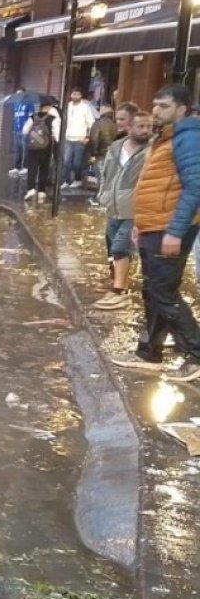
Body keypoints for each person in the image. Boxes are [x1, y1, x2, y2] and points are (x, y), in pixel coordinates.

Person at [112, 85, 200, 381]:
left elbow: (195, 187)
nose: (157, 111)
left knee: (163, 291)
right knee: (152, 291)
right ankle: (149, 352)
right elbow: (155, 185)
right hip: (153, 226)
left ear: (182, 109)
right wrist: (140, 223)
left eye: (164, 106)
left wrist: (174, 232)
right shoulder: (165, 138)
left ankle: (196, 353)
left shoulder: (187, 138)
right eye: (155, 105)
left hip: (169, 227)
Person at [94, 111, 150, 311]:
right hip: (113, 206)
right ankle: (120, 283)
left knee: (120, 247)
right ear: (130, 128)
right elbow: (106, 173)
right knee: (113, 246)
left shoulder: (151, 150)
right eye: (141, 126)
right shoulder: (116, 147)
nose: (145, 131)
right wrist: (103, 194)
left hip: (134, 209)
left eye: (148, 126)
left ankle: (120, 292)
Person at [22, 100, 60, 203]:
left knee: (32, 168)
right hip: (45, 147)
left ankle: (31, 190)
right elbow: (57, 136)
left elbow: (24, 130)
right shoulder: (53, 118)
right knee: (44, 168)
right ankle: (42, 191)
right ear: (48, 108)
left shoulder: (32, 116)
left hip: (32, 147)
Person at [62, 89, 96, 188]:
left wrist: (87, 137)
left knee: (77, 162)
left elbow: (91, 123)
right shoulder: (67, 106)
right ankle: (66, 181)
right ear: (71, 95)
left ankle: (77, 180)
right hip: (68, 138)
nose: (75, 96)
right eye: (74, 94)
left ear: (81, 95)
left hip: (80, 138)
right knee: (66, 161)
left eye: (78, 94)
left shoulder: (85, 107)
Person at [8, 88, 36, 176]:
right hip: (17, 130)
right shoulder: (15, 104)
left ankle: (26, 167)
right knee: (18, 150)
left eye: (20, 93)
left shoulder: (29, 103)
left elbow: (32, 117)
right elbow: (15, 115)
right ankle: (17, 167)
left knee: (25, 150)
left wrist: (28, 127)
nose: (18, 95)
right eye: (17, 94)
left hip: (25, 131)